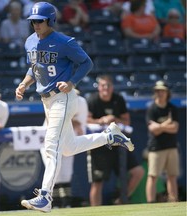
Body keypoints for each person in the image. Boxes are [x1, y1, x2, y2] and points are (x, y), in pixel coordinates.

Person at [15, 2, 134, 213]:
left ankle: (45, 196)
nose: (36, 24)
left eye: (40, 20)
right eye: (33, 21)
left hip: (64, 97)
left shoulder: (64, 42)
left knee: (51, 145)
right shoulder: (30, 41)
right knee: (68, 147)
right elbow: (35, 68)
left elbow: (86, 63)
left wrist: (72, 82)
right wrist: (24, 83)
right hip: (46, 100)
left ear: (50, 20)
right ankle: (109, 137)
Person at [87, 75, 144, 206]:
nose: (105, 88)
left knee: (138, 172)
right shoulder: (92, 100)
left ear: (112, 87)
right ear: (99, 88)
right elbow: (86, 120)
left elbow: (127, 121)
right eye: (102, 85)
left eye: (108, 85)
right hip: (99, 146)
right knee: (97, 182)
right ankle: (95, 213)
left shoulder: (119, 99)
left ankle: (120, 201)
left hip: (119, 145)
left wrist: (114, 119)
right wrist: (101, 120)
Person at [40, 89, 88, 208]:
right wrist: (72, 121)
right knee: (54, 173)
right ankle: (54, 203)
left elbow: (81, 128)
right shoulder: (55, 102)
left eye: (72, 95)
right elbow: (53, 121)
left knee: (66, 174)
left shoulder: (81, 103)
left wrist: (72, 121)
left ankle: (66, 203)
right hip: (50, 141)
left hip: (67, 141)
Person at [145, 80, 180, 203]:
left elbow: (175, 128)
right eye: (157, 91)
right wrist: (166, 124)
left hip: (171, 147)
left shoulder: (172, 108)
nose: (160, 93)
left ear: (167, 93)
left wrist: (159, 126)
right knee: (153, 176)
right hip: (156, 148)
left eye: (162, 91)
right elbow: (153, 131)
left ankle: (173, 201)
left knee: (172, 176)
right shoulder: (152, 109)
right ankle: (150, 203)